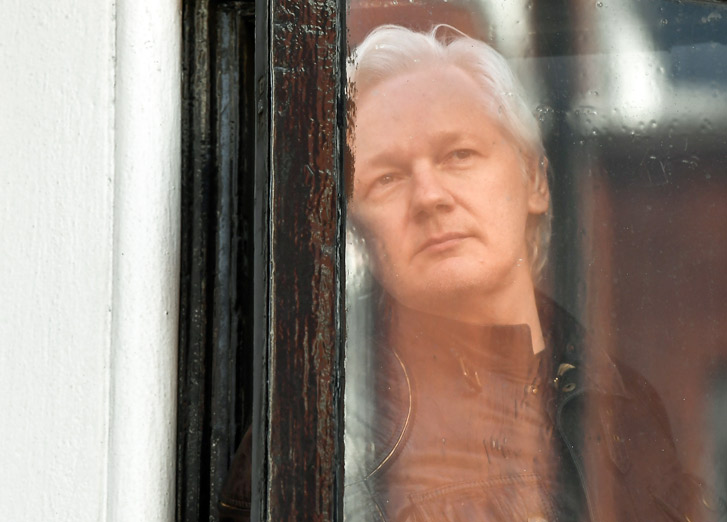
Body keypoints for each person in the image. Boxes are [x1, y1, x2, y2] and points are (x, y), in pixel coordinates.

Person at [220, 25, 727, 521]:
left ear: (535, 179)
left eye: (458, 155)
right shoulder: (314, 423)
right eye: (387, 178)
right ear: (357, 230)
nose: (429, 197)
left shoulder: (622, 400)